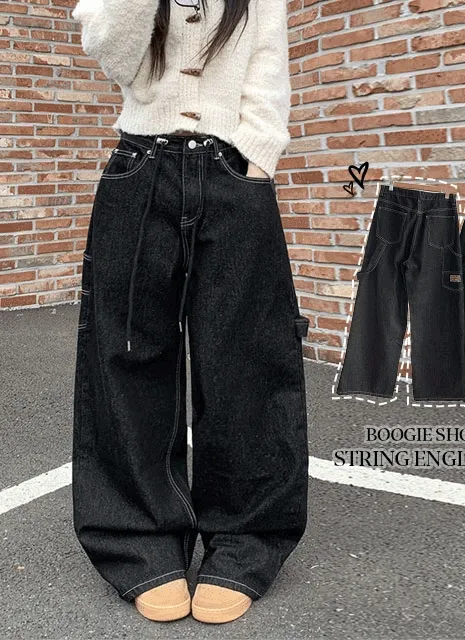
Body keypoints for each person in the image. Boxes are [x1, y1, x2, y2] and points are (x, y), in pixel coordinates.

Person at [70, 0, 309, 625]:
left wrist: (258, 158)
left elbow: (268, 62)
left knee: (248, 359)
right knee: (127, 356)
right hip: (139, 169)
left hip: (234, 172)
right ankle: (139, 541)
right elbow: (114, 55)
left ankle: (246, 541)